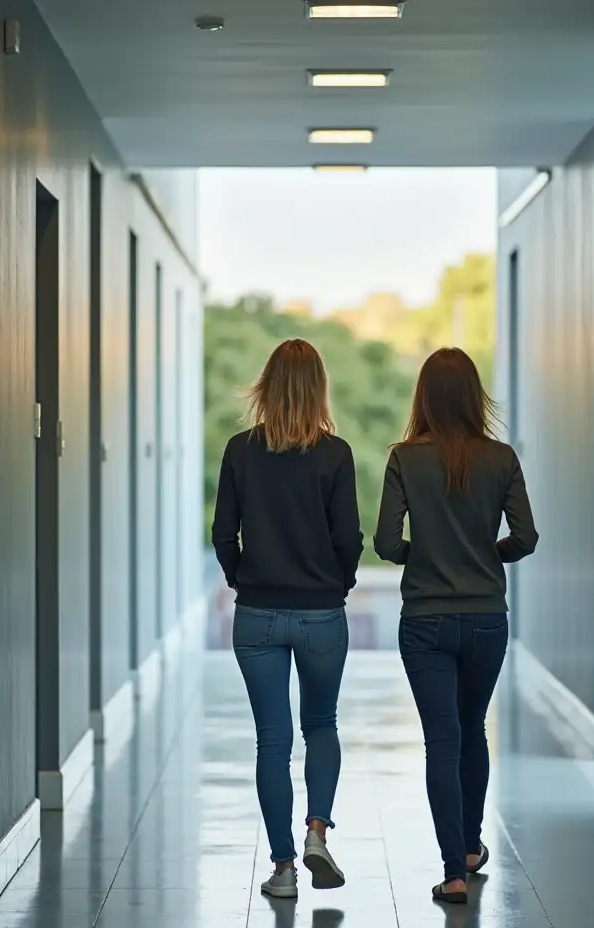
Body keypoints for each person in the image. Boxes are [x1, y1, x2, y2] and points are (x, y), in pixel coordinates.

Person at [373, 347, 538, 905]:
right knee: (473, 730)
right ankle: (470, 847)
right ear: (473, 395)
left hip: (425, 620)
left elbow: (387, 543)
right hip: (487, 618)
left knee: (441, 740)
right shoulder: (502, 457)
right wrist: (486, 555)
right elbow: (526, 538)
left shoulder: (404, 458)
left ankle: (454, 873)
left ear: (423, 396)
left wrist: (425, 555)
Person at [212, 338, 363, 899]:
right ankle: (317, 831)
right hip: (321, 612)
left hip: (257, 615)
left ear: (266, 387)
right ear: (318, 388)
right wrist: (338, 582)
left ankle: (282, 869)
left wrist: (242, 579)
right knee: (320, 724)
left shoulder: (238, 450)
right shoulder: (336, 454)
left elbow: (223, 534)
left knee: (271, 740)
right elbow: (348, 537)